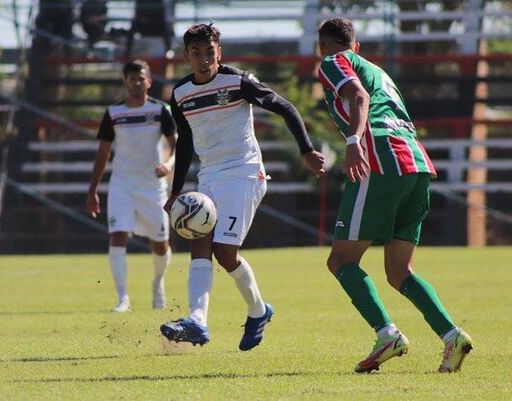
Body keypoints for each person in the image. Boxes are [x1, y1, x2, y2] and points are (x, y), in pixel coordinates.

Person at [317, 18, 472, 373]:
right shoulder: (378, 70)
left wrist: (354, 141)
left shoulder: (332, 61)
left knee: (341, 260)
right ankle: (452, 337)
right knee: (399, 271)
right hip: (417, 165)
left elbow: (358, 95)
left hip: (381, 162)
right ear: (357, 46)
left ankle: (387, 334)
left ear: (322, 47)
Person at [159, 23, 325, 350]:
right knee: (199, 242)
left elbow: (285, 107)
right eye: (197, 53)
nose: (204, 59)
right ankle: (197, 320)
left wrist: (306, 150)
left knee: (225, 252)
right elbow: (187, 142)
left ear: (219, 52)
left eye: (210, 52)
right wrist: (176, 190)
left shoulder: (238, 81)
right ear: (186, 56)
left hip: (245, 173)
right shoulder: (180, 94)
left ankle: (258, 312)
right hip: (209, 176)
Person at [87, 60, 177, 312]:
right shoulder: (113, 113)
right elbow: (103, 152)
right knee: (117, 235)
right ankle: (123, 298)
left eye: (141, 78)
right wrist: (93, 189)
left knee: (160, 243)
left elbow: (176, 146)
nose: (137, 83)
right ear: (125, 82)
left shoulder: (161, 110)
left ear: (149, 81)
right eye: (132, 79)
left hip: (153, 186)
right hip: (122, 184)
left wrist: (168, 165)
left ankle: (158, 283)